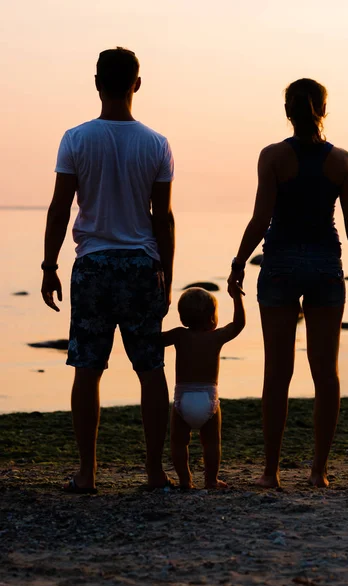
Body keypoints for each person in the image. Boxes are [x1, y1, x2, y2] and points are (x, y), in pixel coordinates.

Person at [228, 78, 348, 489]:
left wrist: (239, 261)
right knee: (325, 372)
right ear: (324, 111)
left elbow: (261, 219)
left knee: (277, 372)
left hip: (279, 263)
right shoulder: (342, 161)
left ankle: (271, 472)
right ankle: (318, 472)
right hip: (327, 264)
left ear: (287, 112)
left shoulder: (273, 157)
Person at [41, 47, 175, 493]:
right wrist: (167, 274)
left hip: (94, 265)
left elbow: (60, 208)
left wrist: (49, 264)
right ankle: (155, 472)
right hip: (141, 264)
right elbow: (164, 217)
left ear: (97, 82)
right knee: (151, 368)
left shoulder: (76, 139)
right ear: (137, 84)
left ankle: (87, 472)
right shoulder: (156, 143)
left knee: (87, 368)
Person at [163, 285, 245, 489]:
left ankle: (185, 480)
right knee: (211, 443)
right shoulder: (216, 337)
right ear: (212, 318)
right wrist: (237, 298)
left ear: (183, 318)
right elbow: (238, 324)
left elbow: (155, 338)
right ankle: (210, 480)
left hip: (183, 398)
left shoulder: (179, 335)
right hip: (208, 398)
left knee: (179, 442)